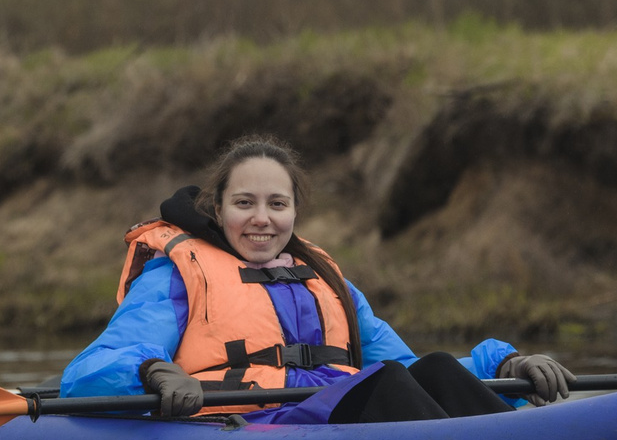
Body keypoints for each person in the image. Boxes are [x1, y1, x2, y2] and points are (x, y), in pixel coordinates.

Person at [59, 135, 573, 423]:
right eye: (244, 203)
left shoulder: (327, 281)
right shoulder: (178, 276)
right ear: (217, 209)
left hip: (333, 422)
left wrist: (502, 363)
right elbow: (88, 371)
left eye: (276, 204)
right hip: (248, 431)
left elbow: (412, 369)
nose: (262, 218)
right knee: (387, 387)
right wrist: (151, 371)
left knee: (433, 368)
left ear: (294, 211)